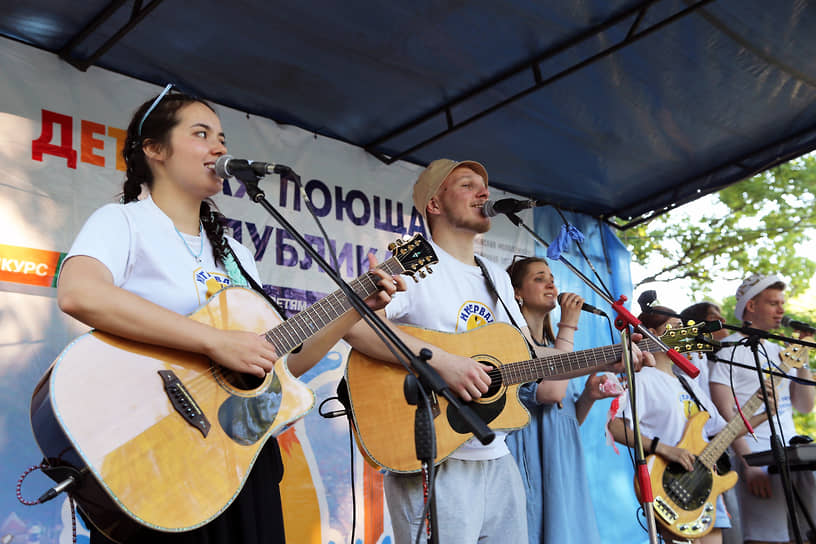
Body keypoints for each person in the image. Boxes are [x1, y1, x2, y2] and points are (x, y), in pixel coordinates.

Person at [56, 87, 403, 543]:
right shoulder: (123, 222)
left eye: (221, 136)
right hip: (158, 459)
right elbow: (80, 293)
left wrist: (353, 307)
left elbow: (278, 365)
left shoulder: (235, 253)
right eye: (201, 134)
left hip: (237, 461)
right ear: (154, 149)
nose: (220, 148)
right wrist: (213, 341)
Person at [343, 159, 653, 544]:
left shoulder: (496, 279)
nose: (485, 193)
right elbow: (353, 323)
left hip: (497, 456)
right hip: (434, 456)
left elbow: (530, 361)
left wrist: (606, 357)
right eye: (467, 185)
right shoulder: (411, 264)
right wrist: (443, 362)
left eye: (485, 186)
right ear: (435, 205)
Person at [610, 307, 770, 544]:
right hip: (671, 488)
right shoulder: (642, 379)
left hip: (705, 485)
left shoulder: (688, 383)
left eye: (683, 328)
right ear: (651, 333)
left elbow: (722, 433)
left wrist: (764, 412)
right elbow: (615, 426)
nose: (683, 333)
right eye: (674, 328)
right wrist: (664, 449)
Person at [504, 256, 621, 544]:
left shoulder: (551, 347)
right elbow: (552, 393)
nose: (551, 284)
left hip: (563, 460)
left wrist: (589, 399)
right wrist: (568, 325)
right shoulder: (510, 342)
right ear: (516, 292)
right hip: (531, 462)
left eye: (552, 278)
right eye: (539, 278)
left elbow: (565, 420)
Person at [708, 274, 816, 544]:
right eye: (772, 303)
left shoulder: (782, 351)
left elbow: (804, 406)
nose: (781, 310)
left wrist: (802, 360)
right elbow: (725, 413)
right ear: (751, 306)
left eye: (782, 303)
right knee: (767, 538)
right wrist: (747, 463)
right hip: (756, 457)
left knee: (805, 533)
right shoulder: (727, 350)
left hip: (793, 451)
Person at [680, 301, 741, 544]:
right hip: (697, 450)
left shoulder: (716, 358)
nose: (723, 321)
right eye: (715, 317)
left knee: (729, 520)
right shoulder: (688, 360)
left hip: (718, 446)